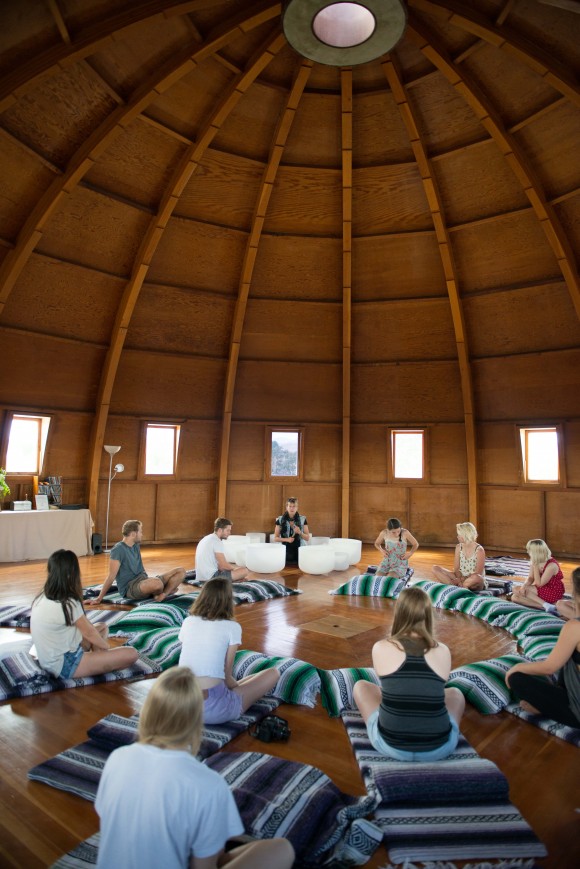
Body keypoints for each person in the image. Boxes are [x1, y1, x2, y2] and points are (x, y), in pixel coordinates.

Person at [95, 666, 295, 869]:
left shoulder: (118, 758)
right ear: (196, 722)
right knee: (281, 849)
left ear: (148, 711)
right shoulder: (208, 784)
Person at [353, 586, 465, 760]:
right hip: (440, 748)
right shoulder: (443, 650)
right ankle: (447, 731)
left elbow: (387, 684)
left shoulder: (381, 647)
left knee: (361, 686)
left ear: (399, 613)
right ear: (428, 615)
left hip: (390, 746)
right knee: (455, 693)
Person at [178, 578, 279, 724]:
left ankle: (233, 693)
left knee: (237, 686)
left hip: (181, 705)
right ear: (228, 600)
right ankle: (231, 699)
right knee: (273, 673)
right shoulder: (232, 627)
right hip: (212, 709)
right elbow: (226, 674)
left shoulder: (188, 622)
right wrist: (238, 688)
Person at [30, 549, 138, 678]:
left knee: (102, 626)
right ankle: (100, 661)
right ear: (73, 573)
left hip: (48, 658)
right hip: (63, 665)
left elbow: (87, 629)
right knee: (131, 653)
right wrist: (107, 648)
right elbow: (89, 632)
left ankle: (99, 660)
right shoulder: (68, 601)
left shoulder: (42, 595)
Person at [505, 568, 580, 728]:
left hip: (577, 711)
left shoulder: (575, 627)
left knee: (516, 678)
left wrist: (517, 668)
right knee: (569, 661)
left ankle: (547, 708)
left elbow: (549, 667)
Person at [89, 520, 186, 605]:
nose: (142, 534)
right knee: (158, 583)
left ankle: (163, 594)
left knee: (181, 571)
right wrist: (99, 598)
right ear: (133, 534)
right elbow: (111, 576)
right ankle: (165, 590)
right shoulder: (117, 550)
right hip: (131, 588)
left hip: (144, 580)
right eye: (140, 531)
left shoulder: (135, 545)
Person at [510, 539, 565, 612]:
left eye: (529, 550)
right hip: (541, 589)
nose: (527, 552)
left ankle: (546, 605)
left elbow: (539, 584)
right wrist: (524, 586)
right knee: (514, 597)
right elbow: (530, 578)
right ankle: (546, 605)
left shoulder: (551, 565)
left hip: (553, 590)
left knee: (518, 590)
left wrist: (535, 566)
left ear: (535, 552)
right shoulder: (535, 560)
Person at [432, 521, 486, 592]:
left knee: (476, 578)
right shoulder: (458, 547)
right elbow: (456, 569)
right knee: (435, 568)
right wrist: (459, 578)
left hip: (473, 579)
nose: (457, 537)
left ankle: (455, 585)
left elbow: (478, 573)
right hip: (459, 576)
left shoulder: (479, 550)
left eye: (459, 535)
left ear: (466, 535)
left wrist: (461, 580)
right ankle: (454, 586)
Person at [195, 517, 249, 582]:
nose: (229, 533)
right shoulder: (217, 542)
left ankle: (234, 578)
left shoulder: (206, 538)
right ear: (220, 530)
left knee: (234, 571)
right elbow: (222, 566)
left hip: (200, 577)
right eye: (228, 530)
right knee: (244, 571)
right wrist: (235, 569)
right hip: (211, 578)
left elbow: (219, 565)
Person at [273, 497, 310, 565]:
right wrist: (287, 539)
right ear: (287, 507)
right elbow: (275, 538)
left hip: (299, 550)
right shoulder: (280, 519)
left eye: (294, 506)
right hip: (285, 550)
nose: (292, 508)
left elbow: (307, 538)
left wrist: (300, 532)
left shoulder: (303, 519)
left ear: (297, 507)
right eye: (290, 506)